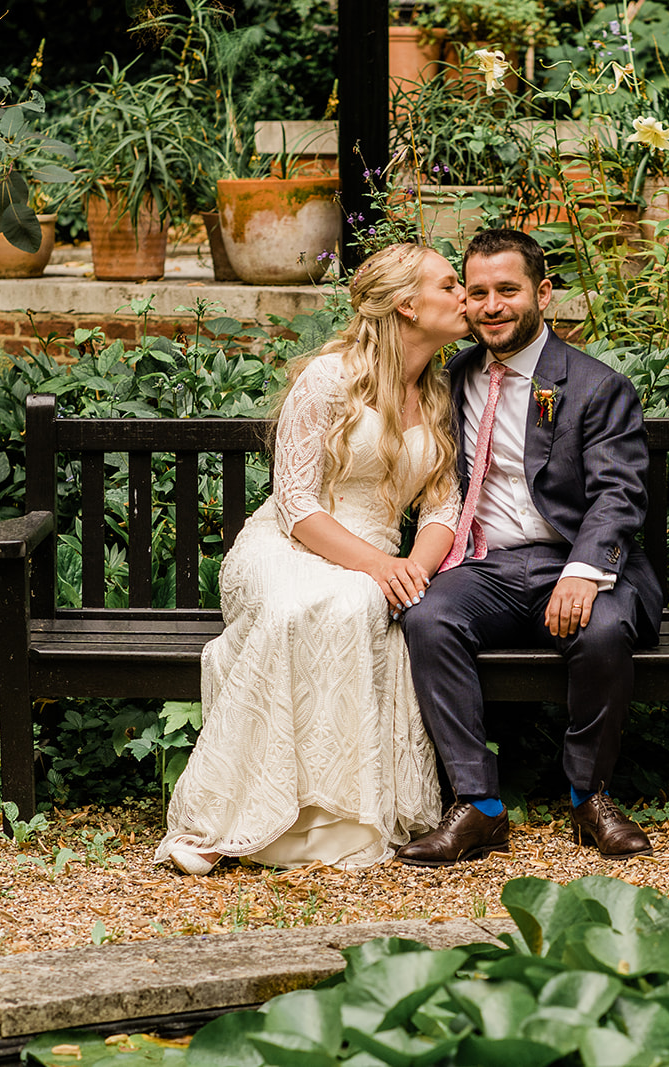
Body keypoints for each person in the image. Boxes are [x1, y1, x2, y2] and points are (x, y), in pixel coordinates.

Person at [153, 243, 466, 874]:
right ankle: (229, 817)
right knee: (299, 609)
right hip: (292, 543)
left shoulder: (439, 397)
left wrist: (415, 568)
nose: (466, 296)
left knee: (353, 607)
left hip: (374, 557)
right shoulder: (328, 380)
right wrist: (380, 567)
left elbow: (441, 511)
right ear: (407, 305)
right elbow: (295, 502)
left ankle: (334, 819)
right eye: (451, 284)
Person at [399, 228, 665, 867]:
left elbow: (619, 496)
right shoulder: (453, 377)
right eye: (479, 292)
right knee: (428, 617)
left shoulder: (597, 388)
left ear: (542, 293)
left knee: (601, 632)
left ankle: (588, 794)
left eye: (508, 291)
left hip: (571, 557)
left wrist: (584, 570)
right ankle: (478, 805)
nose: (492, 306)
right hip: (486, 565)